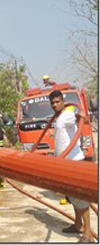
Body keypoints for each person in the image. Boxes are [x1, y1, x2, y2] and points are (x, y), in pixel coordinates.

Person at [49, 90, 94, 243]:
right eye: (53, 103)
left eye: (57, 101)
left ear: (63, 101)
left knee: (80, 198)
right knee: (72, 196)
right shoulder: (59, 118)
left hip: (74, 162)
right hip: (64, 163)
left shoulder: (67, 115)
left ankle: (87, 233)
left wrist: (79, 114)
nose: (55, 105)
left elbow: (77, 116)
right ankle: (78, 225)